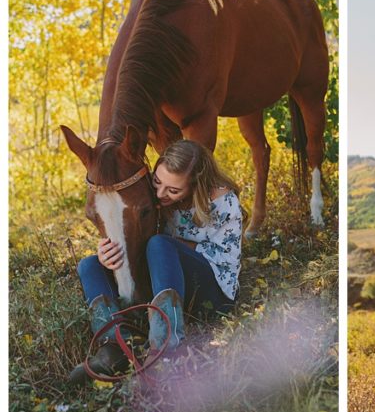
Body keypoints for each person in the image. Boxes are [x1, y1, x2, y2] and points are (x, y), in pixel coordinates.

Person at [69, 139, 245, 384]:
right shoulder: (155, 195)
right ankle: (115, 346)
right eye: (158, 183)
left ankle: (167, 348)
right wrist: (107, 251)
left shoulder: (222, 202)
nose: (161, 194)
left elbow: (225, 259)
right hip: (167, 278)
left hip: (213, 291)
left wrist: (172, 246)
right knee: (89, 265)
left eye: (173, 190)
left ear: (196, 186)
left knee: (159, 244)